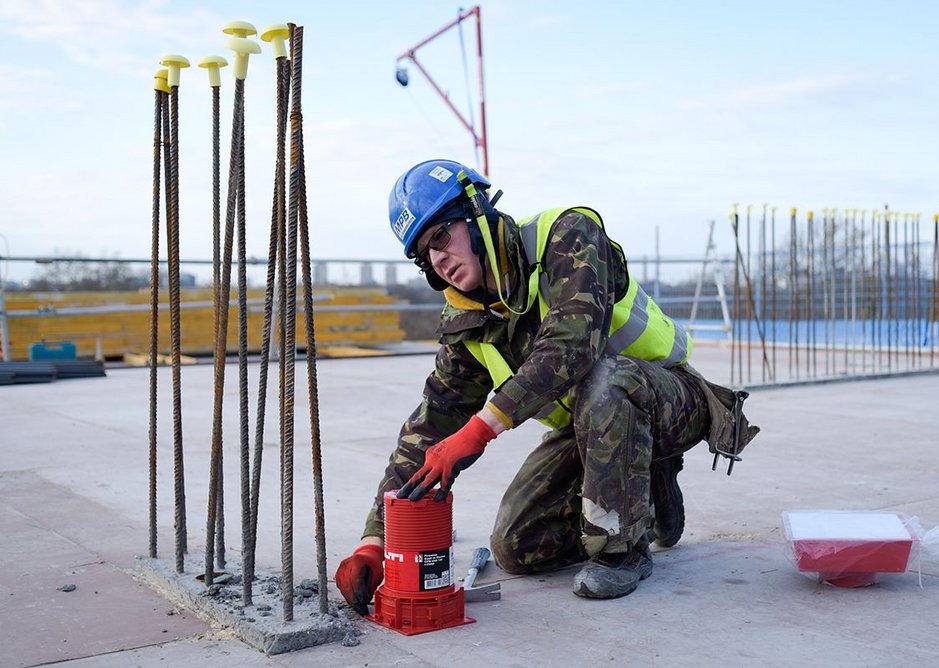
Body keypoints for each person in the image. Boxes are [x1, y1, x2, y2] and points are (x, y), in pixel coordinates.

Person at [335, 159, 758, 612]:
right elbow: (432, 425)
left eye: (441, 235)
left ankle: (621, 553)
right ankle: (647, 503)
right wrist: (376, 540)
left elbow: (571, 345)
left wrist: (479, 430)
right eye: (425, 254)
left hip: (667, 400)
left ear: (477, 216)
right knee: (517, 546)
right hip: (590, 428)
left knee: (606, 381)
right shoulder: (469, 322)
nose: (438, 258)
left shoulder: (567, 236)